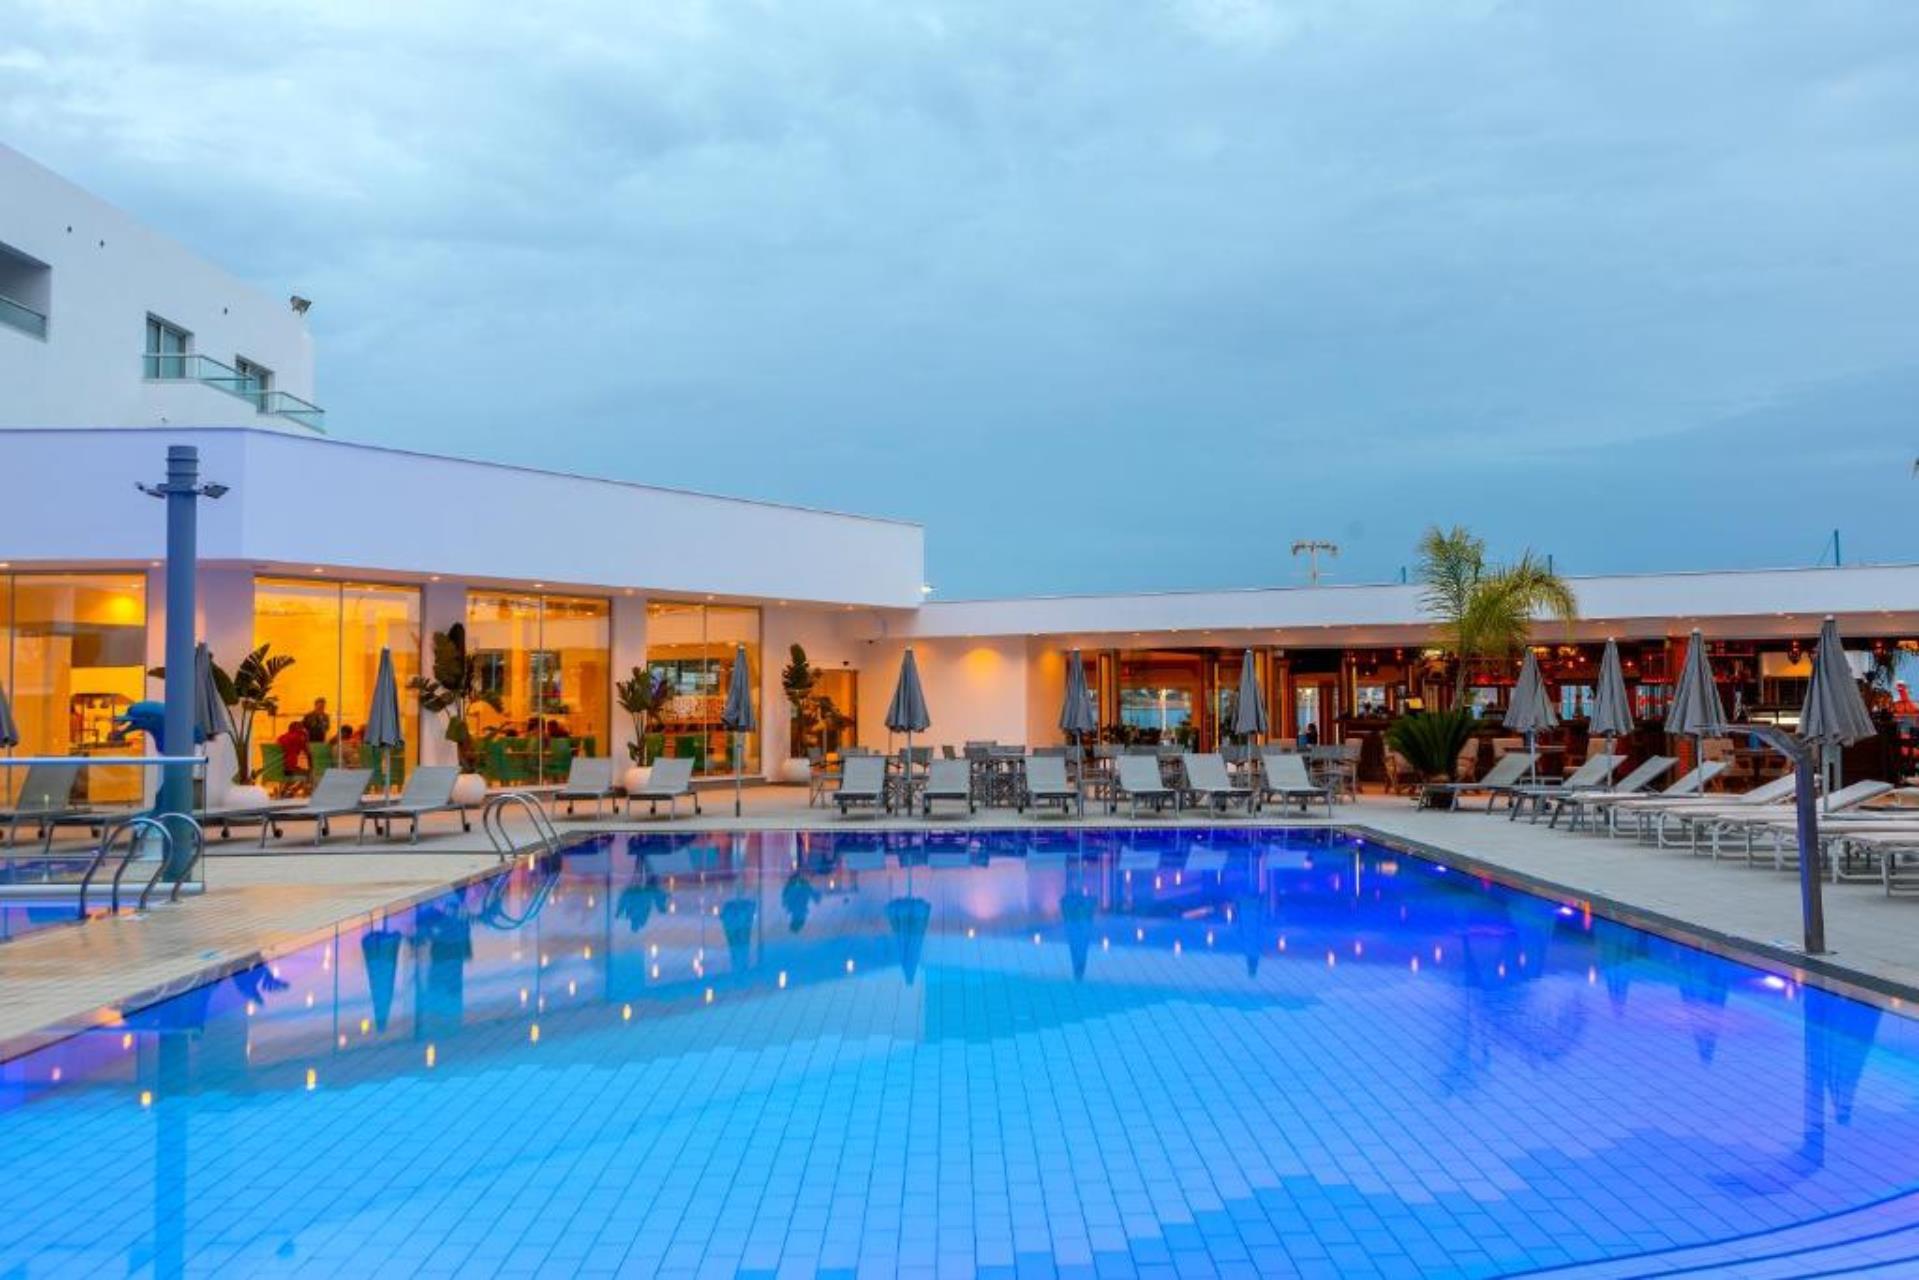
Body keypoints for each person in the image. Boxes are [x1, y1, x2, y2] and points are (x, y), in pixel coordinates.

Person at [276, 722, 312, 793]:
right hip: (290, 769)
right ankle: (293, 790)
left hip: (278, 769)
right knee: (308, 774)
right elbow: (308, 752)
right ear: (300, 729)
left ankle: (286, 790)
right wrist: (306, 737)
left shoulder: (281, 737)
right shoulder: (299, 737)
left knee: (295, 771)